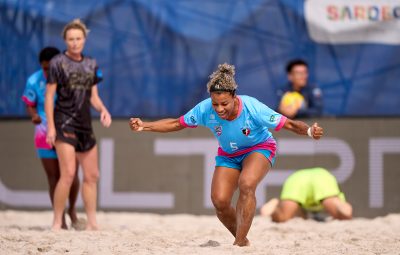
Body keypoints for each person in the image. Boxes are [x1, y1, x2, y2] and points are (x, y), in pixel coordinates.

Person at [129, 63, 323, 246]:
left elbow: (288, 123)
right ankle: (243, 240)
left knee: (246, 185)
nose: (219, 109)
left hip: (259, 148)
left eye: (224, 103)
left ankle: (238, 243)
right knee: (220, 201)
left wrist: (308, 131)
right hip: (229, 154)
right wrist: (145, 126)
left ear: (234, 96)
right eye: (215, 104)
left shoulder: (252, 107)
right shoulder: (205, 108)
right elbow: (176, 123)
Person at [45, 19, 112, 230]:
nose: (75, 43)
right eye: (71, 39)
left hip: (85, 125)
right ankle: (57, 221)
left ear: (84, 39)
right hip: (64, 122)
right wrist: (51, 127)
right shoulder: (57, 62)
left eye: (78, 38)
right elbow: (49, 96)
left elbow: (93, 97)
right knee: (68, 174)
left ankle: (92, 222)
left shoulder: (91, 63)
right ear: (65, 40)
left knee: (92, 175)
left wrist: (103, 110)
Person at [21, 46, 83, 230]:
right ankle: (60, 216)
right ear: (41, 65)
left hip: (69, 129)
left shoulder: (71, 77)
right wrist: (33, 115)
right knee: (54, 177)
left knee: (71, 174)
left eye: (51, 67)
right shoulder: (34, 80)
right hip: (44, 131)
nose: (48, 71)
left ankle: (72, 210)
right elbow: (29, 103)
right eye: (45, 68)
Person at [260, 167, 353, 222]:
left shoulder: (302, 211)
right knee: (344, 216)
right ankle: (337, 202)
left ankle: (275, 203)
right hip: (322, 176)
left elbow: (302, 216)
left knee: (283, 217)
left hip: (297, 178)